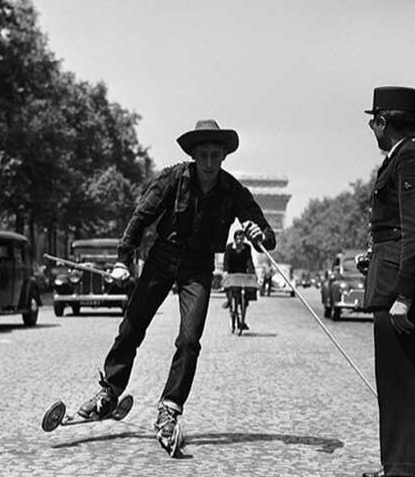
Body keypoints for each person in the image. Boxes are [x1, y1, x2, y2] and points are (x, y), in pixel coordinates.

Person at [75, 119, 276, 448]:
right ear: (195, 155)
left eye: (216, 155)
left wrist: (260, 235)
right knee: (132, 326)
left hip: (198, 268)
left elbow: (265, 232)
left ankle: (169, 408)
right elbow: (141, 217)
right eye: (204, 155)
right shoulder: (173, 178)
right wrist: (123, 259)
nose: (210, 163)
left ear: (224, 156)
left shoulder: (233, 190)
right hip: (162, 258)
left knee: (189, 339)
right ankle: (109, 391)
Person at [357, 86, 415, 477]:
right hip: (393, 279)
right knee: (393, 380)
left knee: (406, 380)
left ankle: (410, 473)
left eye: (373, 122)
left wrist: (405, 295)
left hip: (402, 290)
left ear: (382, 122)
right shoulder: (406, 155)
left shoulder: (409, 158)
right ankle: (398, 463)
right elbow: (396, 232)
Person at [222, 227, 256, 333]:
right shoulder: (228, 248)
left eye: (242, 239)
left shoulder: (247, 248)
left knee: (246, 293)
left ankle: (243, 317)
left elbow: (249, 261)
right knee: (228, 287)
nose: (239, 241)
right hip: (232, 273)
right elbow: (226, 261)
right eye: (238, 239)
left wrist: (252, 272)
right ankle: (229, 300)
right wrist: (226, 271)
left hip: (242, 273)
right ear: (234, 239)